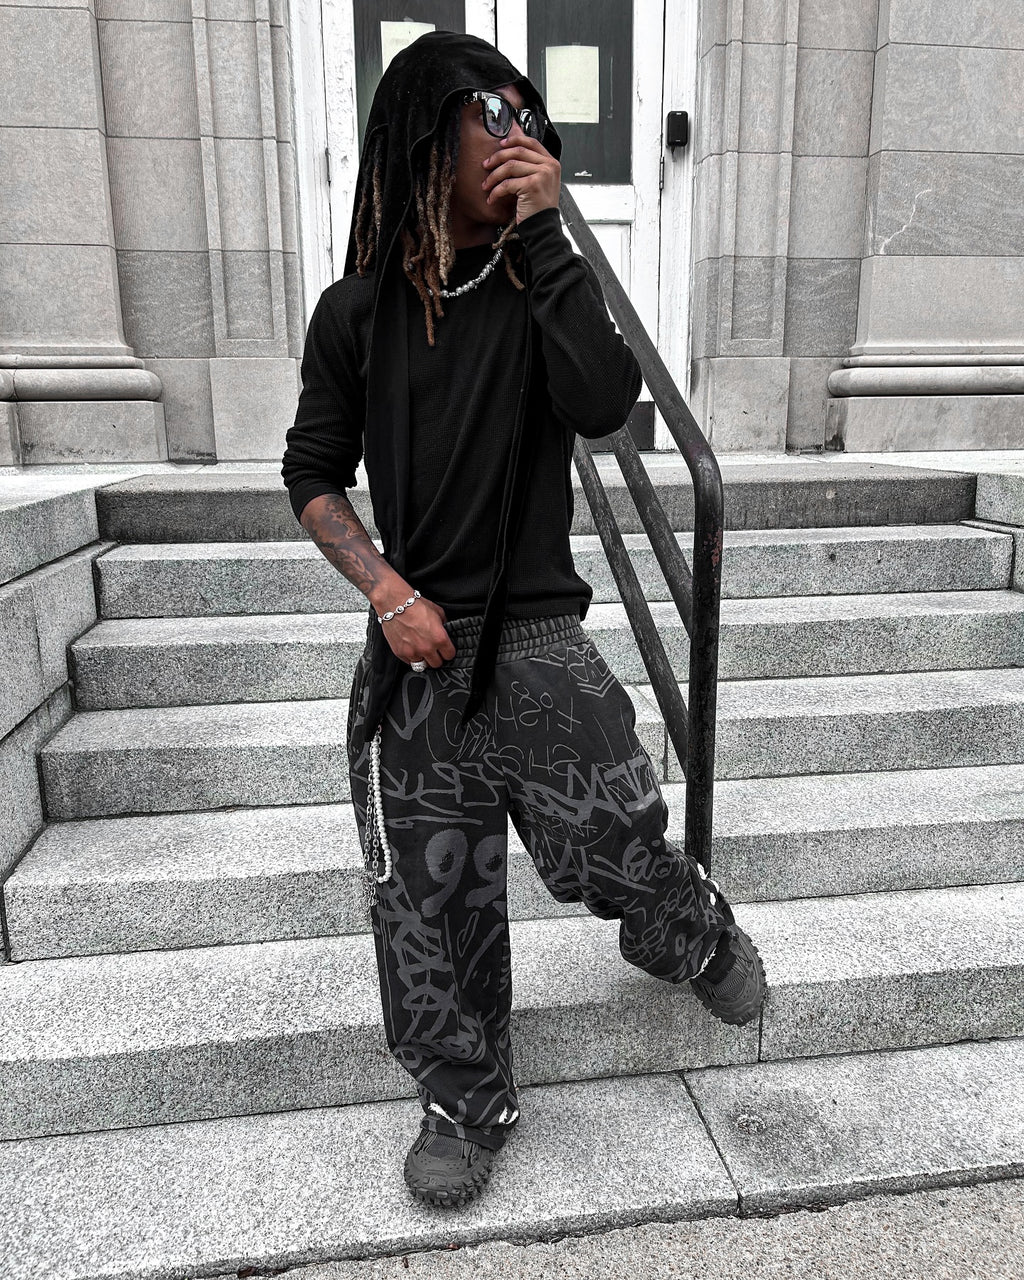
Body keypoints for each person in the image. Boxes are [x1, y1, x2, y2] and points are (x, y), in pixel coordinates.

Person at [281, 30, 765, 1209]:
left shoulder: (542, 285)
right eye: (484, 113)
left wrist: (549, 234)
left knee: (615, 843)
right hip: (419, 652)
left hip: (541, 644)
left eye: (523, 113)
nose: (512, 133)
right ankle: (463, 1097)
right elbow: (309, 471)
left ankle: (685, 923)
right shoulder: (354, 315)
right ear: (421, 135)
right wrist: (386, 592)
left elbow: (605, 401)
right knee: (426, 901)